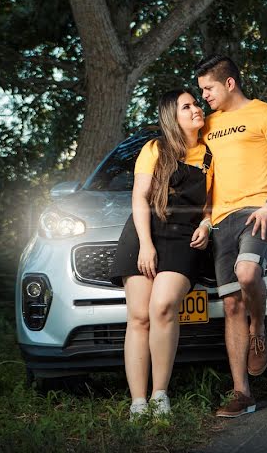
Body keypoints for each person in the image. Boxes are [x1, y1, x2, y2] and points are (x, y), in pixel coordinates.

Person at [195, 54, 267, 418]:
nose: (204, 96)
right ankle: (242, 393)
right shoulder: (207, 126)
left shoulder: (265, 114)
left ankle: (259, 325)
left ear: (229, 83)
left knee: (247, 273)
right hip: (222, 220)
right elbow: (203, 178)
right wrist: (205, 220)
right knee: (229, 304)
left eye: (208, 88)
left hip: (258, 212)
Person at [109, 89, 214, 419]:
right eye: (187, 106)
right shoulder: (154, 149)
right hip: (145, 233)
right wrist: (146, 244)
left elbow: (211, 205)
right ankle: (138, 403)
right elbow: (140, 198)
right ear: (173, 116)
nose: (196, 108)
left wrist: (207, 225)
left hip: (184, 236)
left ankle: (159, 395)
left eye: (196, 103)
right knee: (139, 317)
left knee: (164, 305)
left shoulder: (210, 154)